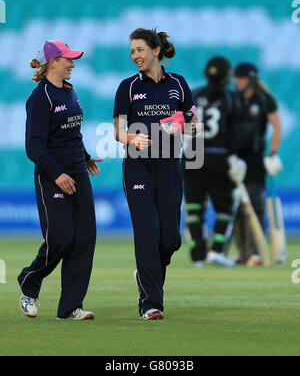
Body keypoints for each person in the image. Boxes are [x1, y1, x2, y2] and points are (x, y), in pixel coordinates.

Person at [113, 28, 197, 320]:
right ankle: (151, 303)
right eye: (132, 51)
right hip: (138, 165)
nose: (135, 55)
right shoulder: (127, 87)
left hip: (169, 164)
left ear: (156, 50)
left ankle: (145, 277)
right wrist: (132, 139)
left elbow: (194, 124)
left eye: (140, 49)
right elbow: (118, 132)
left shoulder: (179, 84)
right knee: (147, 233)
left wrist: (181, 123)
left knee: (170, 239)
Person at [18, 40, 102, 320]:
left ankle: (70, 307)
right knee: (61, 238)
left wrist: (86, 156)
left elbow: (71, 134)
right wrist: (57, 174)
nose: (72, 64)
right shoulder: (40, 97)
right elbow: (34, 146)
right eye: (67, 60)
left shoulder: (69, 90)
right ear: (52, 62)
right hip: (52, 176)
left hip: (77, 171)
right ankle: (30, 282)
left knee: (85, 237)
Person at [183, 56, 246, 268]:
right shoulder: (231, 97)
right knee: (227, 206)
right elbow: (234, 130)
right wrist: (234, 157)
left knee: (194, 208)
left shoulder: (195, 93)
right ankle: (216, 251)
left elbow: (181, 123)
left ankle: (197, 257)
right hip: (218, 154)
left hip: (192, 152)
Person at [233, 62, 282, 266]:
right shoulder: (232, 99)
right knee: (236, 207)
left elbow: (277, 127)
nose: (238, 83)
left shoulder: (264, 99)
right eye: (236, 79)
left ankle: (256, 252)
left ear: (251, 79)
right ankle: (243, 253)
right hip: (234, 160)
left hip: (254, 160)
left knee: (256, 204)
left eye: (242, 79)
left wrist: (272, 154)